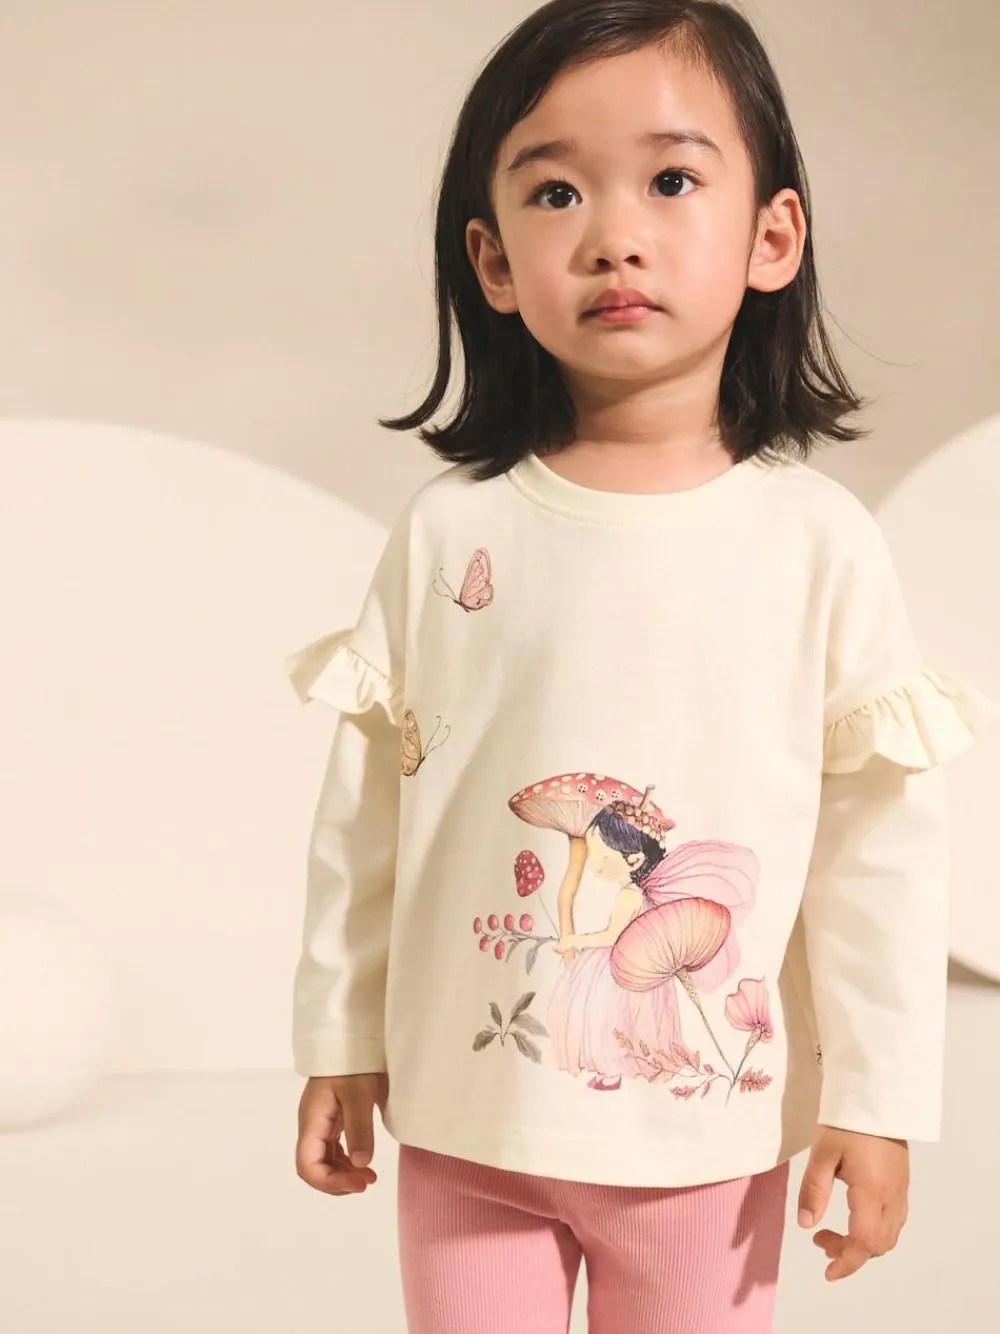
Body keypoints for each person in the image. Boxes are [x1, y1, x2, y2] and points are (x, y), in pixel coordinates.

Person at [285, 3, 998, 1331]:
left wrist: (879, 1097)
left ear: (772, 236)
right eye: (557, 191)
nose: (614, 234)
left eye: (671, 181)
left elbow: (877, 851)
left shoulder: (816, 545)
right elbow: (366, 817)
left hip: (704, 1145)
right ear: (493, 260)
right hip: (468, 1121)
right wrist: (338, 1034)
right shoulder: (451, 535)